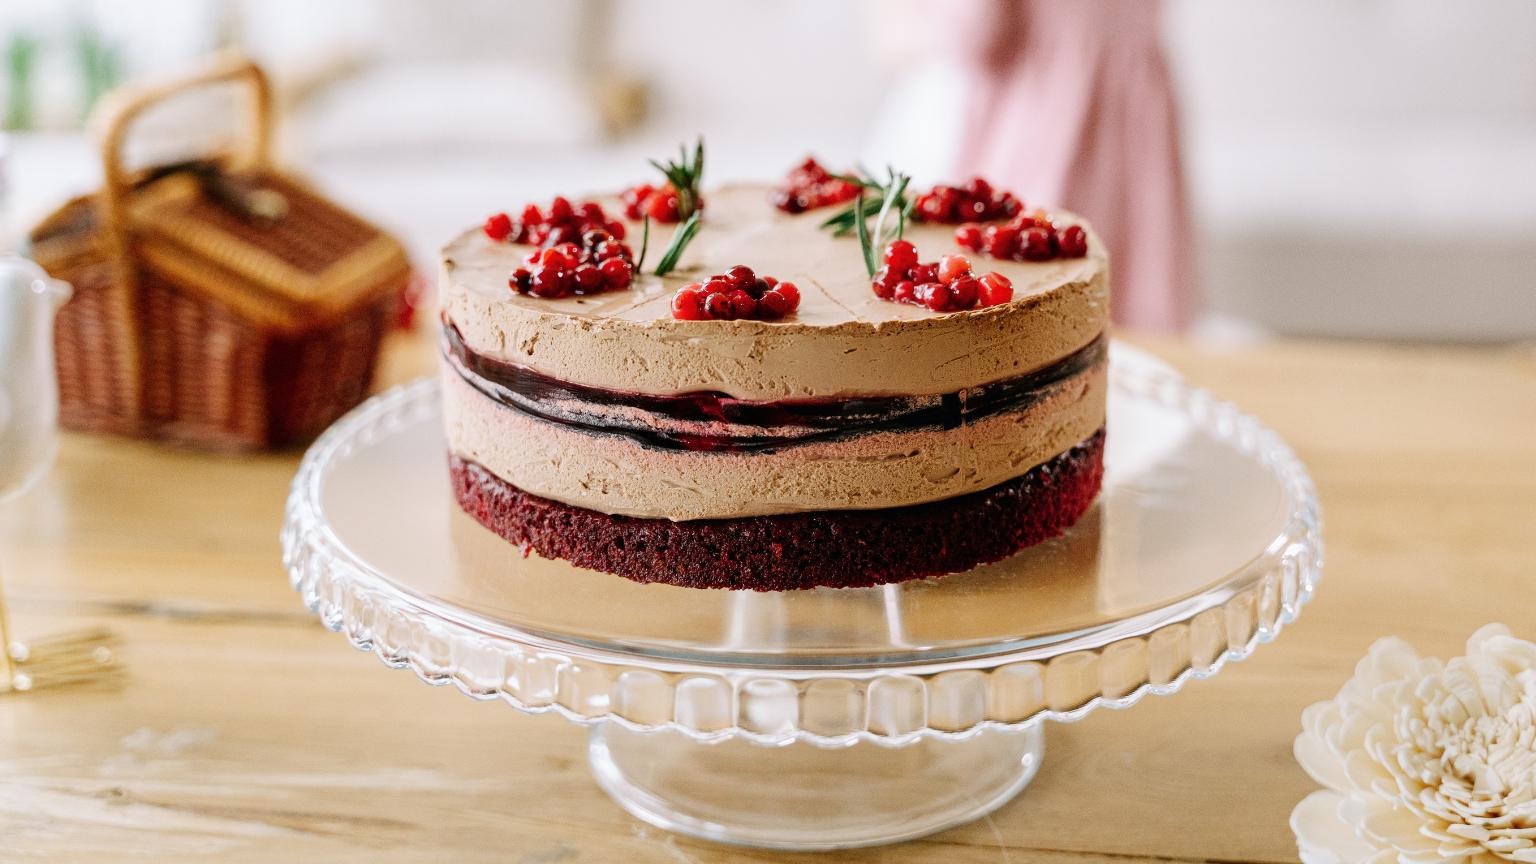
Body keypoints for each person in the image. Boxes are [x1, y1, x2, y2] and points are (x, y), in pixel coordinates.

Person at [949, 0, 1193, 332]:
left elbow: (975, 33)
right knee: (1138, 284)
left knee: (1028, 300)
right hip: (1138, 112)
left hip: (1046, 114)